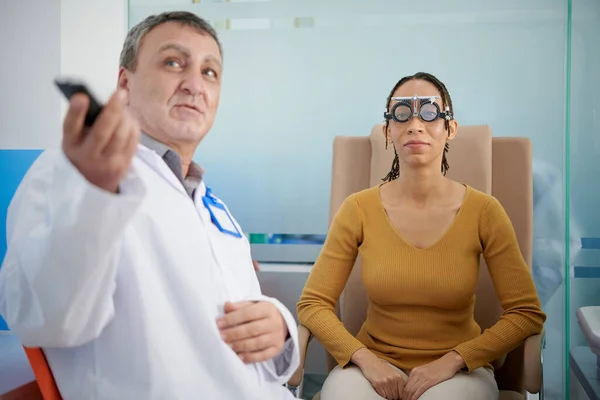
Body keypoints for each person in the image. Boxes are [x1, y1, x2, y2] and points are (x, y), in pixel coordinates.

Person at [0, 12, 298, 400]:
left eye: (210, 72)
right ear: (125, 82)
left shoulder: (212, 204)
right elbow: (45, 320)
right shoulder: (73, 174)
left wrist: (280, 327)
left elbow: (231, 308)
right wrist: (96, 195)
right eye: (174, 63)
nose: (194, 85)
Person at [296, 72, 546, 400]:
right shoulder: (357, 209)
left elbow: (526, 312)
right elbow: (312, 304)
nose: (415, 125)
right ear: (388, 132)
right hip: (371, 367)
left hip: (459, 372)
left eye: (429, 112)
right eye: (402, 113)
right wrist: (366, 359)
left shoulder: (485, 211)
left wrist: (456, 359)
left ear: (450, 129)